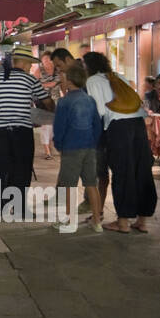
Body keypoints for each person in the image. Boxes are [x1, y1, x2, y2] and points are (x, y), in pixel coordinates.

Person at [0, 44, 55, 219]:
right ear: (26, 63)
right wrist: (52, 111)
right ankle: (18, 208)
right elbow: (47, 101)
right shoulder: (30, 80)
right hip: (22, 131)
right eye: (30, 64)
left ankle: (0, 206)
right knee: (22, 169)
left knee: (1, 167)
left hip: (1, 131)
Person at [83, 51, 156, 233]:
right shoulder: (118, 76)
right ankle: (142, 221)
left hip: (118, 127)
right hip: (138, 124)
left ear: (88, 67)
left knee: (123, 172)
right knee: (142, 170)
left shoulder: (92, 81)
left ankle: (123, 222)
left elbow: (99, 111)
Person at [53, 63, 104, 231]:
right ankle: (97, 221)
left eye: (64, 77)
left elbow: (60, 127)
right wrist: (93, 142)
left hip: (71, 147)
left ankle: (68, 219)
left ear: (69, 81)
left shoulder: (64, 101)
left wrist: (58, 144)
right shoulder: (89, 100)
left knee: (69, 185)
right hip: (89, 147)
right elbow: (97, 124)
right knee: (91, 184)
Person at [35, 50, 61, 160]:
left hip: (56, 101)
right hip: (43, 102)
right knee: (45, 126)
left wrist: (43, 84)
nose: (47, 62)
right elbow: (34, 84)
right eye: (44, 59)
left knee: (54, 126)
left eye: (49, 59)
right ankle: (47, 151)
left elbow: (57, 83)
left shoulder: (57, 71)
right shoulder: (39, 70)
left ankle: (49, 145)